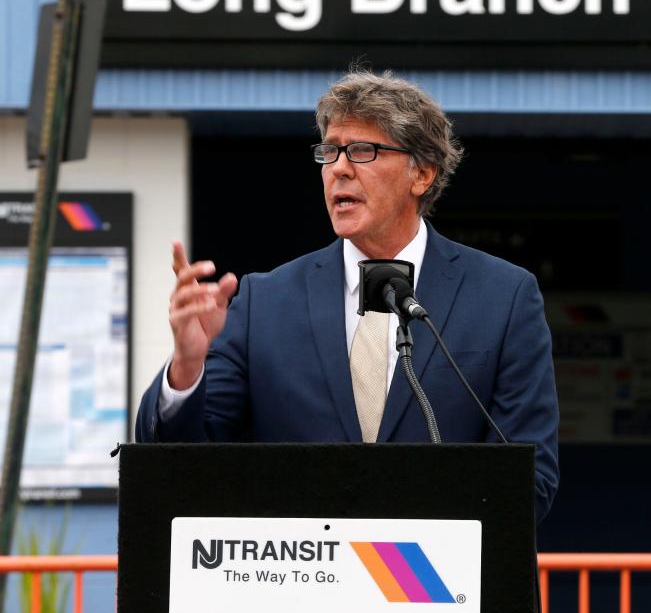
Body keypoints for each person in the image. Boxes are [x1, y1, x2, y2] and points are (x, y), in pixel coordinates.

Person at [135, 70, 560, 520]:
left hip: (438, 585)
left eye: (363, 150)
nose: (338, 168)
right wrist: (187, 366)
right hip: (300, 582)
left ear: (422, 174)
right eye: (330, 151)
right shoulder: (264, 301)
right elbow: (181, 462)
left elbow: (530, 479)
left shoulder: (504, 296)